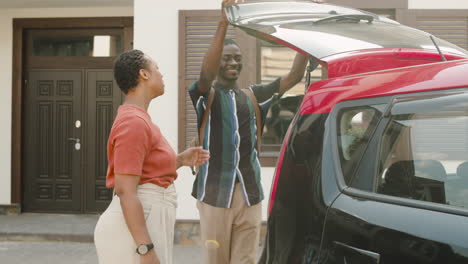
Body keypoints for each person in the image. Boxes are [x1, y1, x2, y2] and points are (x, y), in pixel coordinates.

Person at [188, 0, 311, 263]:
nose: (233, 62)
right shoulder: (205, 96)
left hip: (250, 195)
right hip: (214, 196)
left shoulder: (253, 96)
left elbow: (293, 77)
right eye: (226, 58)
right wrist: (223, 22)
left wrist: (304, 26)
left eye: (238, 58)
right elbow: (206, 74)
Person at [94, 49, 210, 264]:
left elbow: (145, 170)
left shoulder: (140, 119)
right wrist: (145, 248)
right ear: (144, 74)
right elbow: (125, 190)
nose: (161, 74)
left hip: (148, 219)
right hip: (136, 227)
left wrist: (181, 160)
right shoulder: (133, 122)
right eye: (156, 69)